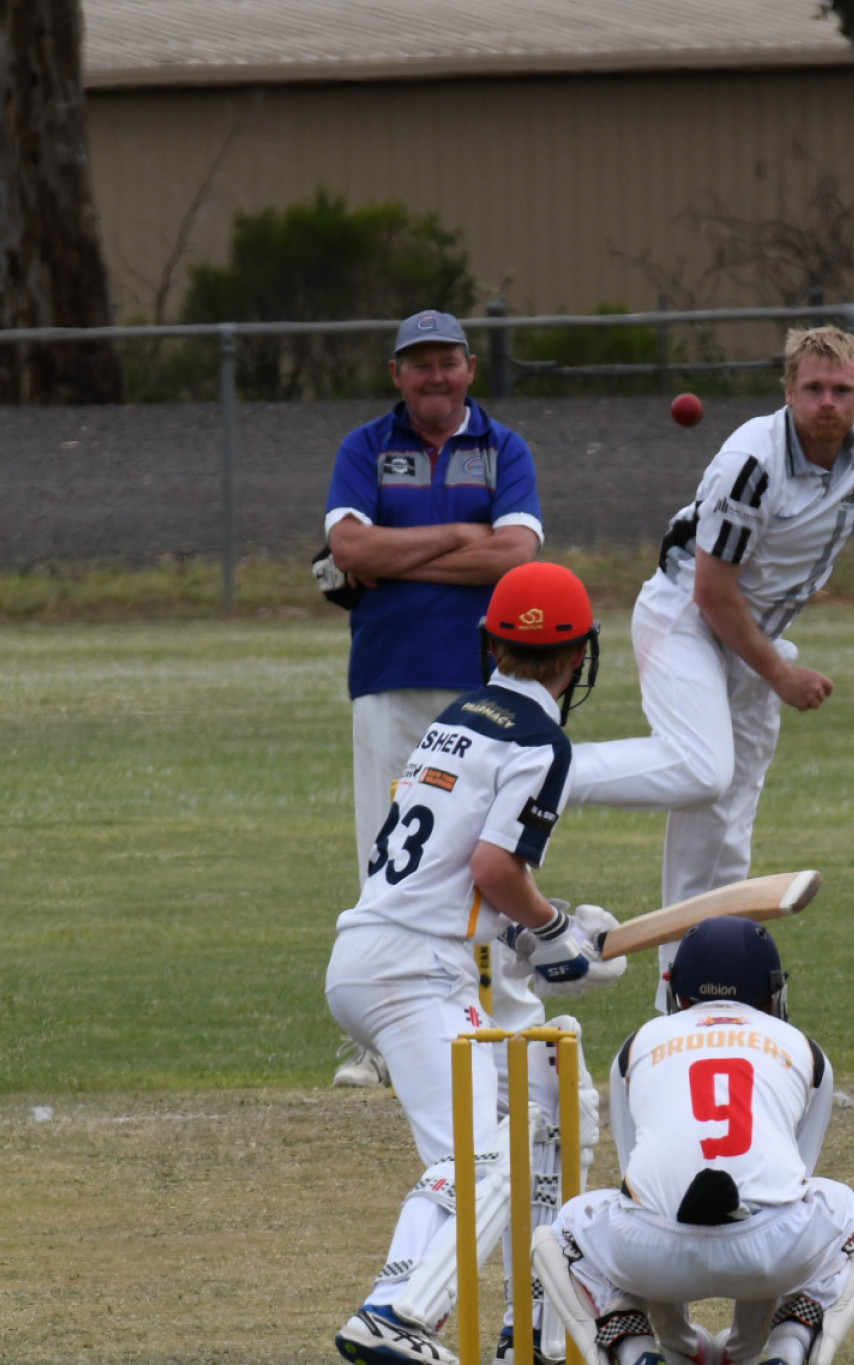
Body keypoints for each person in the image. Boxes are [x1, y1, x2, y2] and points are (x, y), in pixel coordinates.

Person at [570, 327, 854, 1005]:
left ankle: (691, 994)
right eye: (813, 388)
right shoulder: (751, 462)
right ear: (788, 391)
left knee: (726, 825)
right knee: (702, 770)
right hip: (686, 618)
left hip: (753, 635)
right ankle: (546, 772)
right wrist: (781, 675)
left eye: (841, 389)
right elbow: (711, 592)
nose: (827, 402)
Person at [326, 561, 627, 1365]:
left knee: (557, 1102)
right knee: (485, 1155)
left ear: (492, 643)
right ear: (579, 657)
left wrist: (545, 938)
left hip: (384, 952)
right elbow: (495, 869)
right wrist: (554, 927)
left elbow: (461, 876)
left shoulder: (458, 716)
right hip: (414, 971)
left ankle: (537, 1330)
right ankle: (395, 1311)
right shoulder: (540, 740)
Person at [323, 308, 543, 1088]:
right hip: (389, 672)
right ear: (398, 374)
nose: (435, 376)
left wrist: (400, 557)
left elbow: (516, 554)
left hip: (486, 680)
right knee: (389, 853)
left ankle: (495, 1024)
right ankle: (385, 1041)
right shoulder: (365, 447)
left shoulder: (504, 447)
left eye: (448, 361)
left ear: (470, 368)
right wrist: (461, 536)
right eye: (420, 363)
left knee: (488, 853)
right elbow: (349, 547)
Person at [531, 917, 854, 1365]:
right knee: (853, 1216)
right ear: (770, 992)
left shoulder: (637, 1043)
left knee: (565, 1229)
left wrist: (679, 1340)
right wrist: (743, 1348)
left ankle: (633, 1350)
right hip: (771, 1251)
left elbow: (638, 1188)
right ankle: (792, 1346)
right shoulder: (805, 1048)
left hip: (653, 1254)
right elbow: (788, 1186)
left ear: (677, 991)